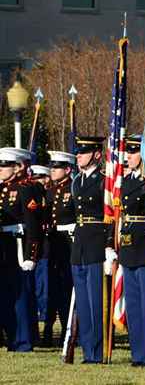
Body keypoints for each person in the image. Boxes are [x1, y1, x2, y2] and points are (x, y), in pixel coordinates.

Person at [117, 135, 145, 366]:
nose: (128, 157)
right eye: (128, 153)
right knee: (133, 304)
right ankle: (137, 353)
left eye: (133, 153)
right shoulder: (126, 181)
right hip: (129, 247)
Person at [71, 136, 113, 364]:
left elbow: (111, 214)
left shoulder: (104, 181)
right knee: (84, 305)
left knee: (96, 302)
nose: (78, 155)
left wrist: (109, 244)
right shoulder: (77, 181)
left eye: (83, 152)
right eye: (78, 152)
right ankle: (87, 350)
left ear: (97, 154)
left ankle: (97, 351)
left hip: (97, 245)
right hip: (79, 247)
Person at [0, 147, 43, 352]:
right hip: (4, 246)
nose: (0, 169)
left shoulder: (25, 189)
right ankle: (11, 338)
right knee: (6, 295)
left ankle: (24, 340)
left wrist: (31, 255)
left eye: (4, 165)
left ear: (17, 167)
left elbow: (33, 225)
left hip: (18, 245)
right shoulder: (2, 188)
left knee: (21, 296)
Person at [42, 151, 76, 346]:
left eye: (57, 167)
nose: (52, 171)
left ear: (67, 169)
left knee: (67, 287)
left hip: (69, 243)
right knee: (53, 287)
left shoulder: (73, 188)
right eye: (52, 167)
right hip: (54, 243)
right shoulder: (50, 191)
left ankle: (67, 328)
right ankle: (48, 328)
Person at [30, 164, 51, 342]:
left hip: (46, 248)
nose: (38, 182)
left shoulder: (48, 195)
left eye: (40, 178)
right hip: (36, 248)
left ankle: (45, 319)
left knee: (43, 288)